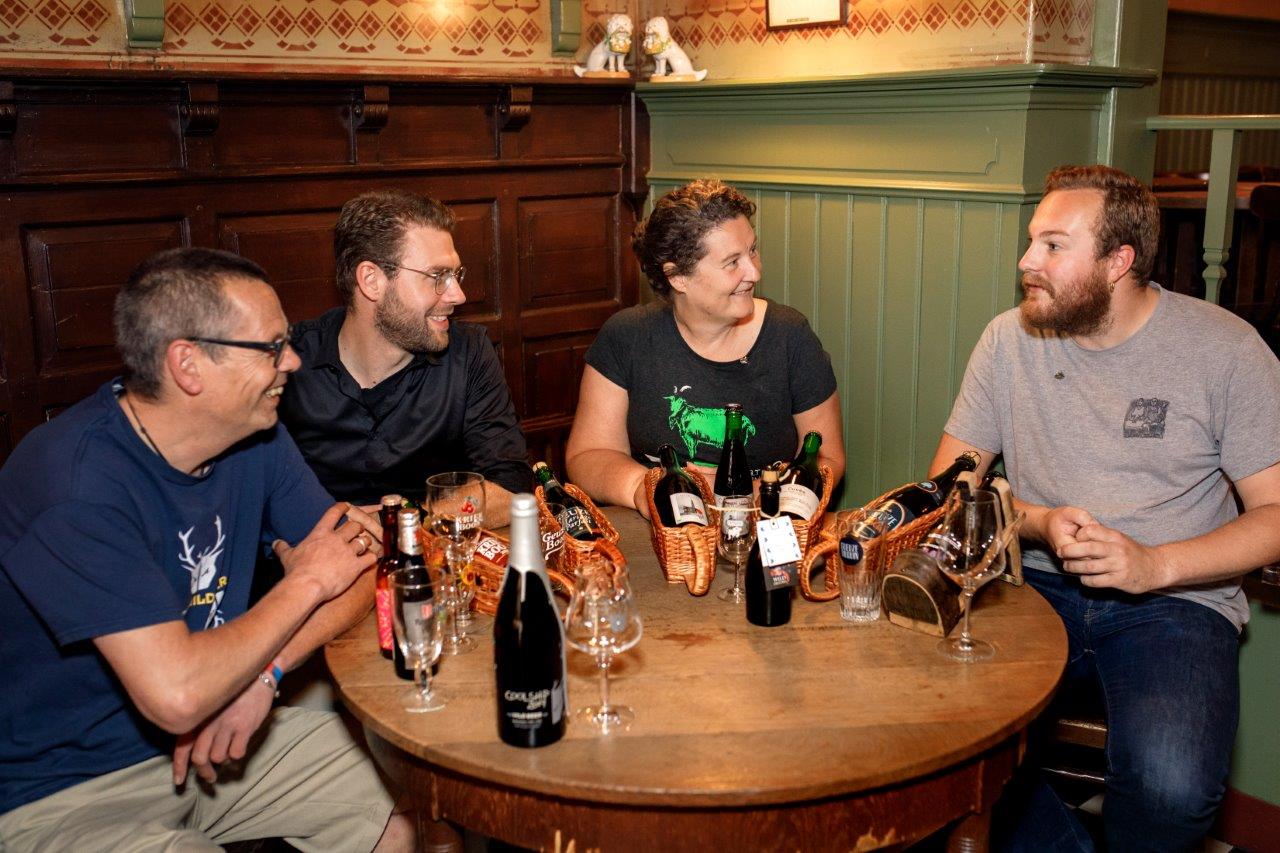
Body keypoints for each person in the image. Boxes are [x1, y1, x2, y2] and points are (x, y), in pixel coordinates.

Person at [0, 248, 413, 851]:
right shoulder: (75, 482)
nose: (293, 361)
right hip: (60, 791)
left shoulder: (255, 437)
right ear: (188, 364)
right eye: (271, 347)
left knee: (407, 793)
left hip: (217, 742)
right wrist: (306, 582)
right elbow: (179, 697)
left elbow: (363, 562)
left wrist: (265, 673)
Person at [933, 164, 1280, 852]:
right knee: (936, 741)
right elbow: (950, 484)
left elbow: (1274, 513)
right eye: (1031, 240)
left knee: (1172, 790)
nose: (1026, 261)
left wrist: (1154, 565)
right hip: (1032, 588)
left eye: (1053, 245)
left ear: (1119, 261)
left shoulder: (1227, 350)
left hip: (1177, 602)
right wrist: (1036, 522)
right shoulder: (1008, 339)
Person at [566, 179, 844, 517]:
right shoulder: (627, 336)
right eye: (732, 262)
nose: (754, 272)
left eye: (752, 250)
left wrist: (758, 495)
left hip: (763, 523)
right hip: (659, 529)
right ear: (678, 277)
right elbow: (589, 454)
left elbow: (828, 458)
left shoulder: (790, 337)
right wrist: (650, 488)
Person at [280, 189, 530, 523]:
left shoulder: (468, 352)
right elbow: (252, 497)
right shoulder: (288, 362)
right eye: (437, 276)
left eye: (455, 275)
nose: (458, 295)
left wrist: (401, 522)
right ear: (371, 281)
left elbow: (511, 486)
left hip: (435, 547)